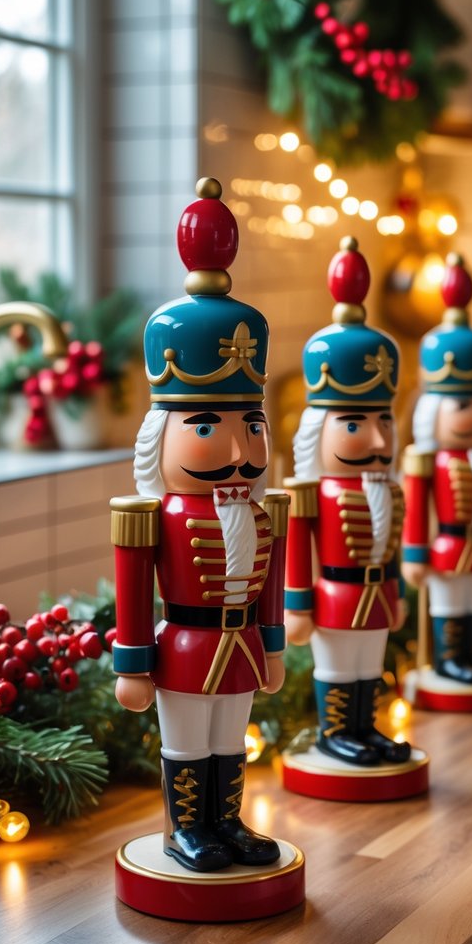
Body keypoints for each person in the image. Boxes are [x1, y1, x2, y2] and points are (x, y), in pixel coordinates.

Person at [110, 177, 287, 874]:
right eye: (208, 427)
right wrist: (132, 663)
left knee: (230, 740)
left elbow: (268, 585)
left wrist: (272, 645)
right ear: (161, 436)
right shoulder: (154, 515)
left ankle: (226, 822)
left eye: (252, 426)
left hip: (242, 644)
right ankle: (188, 829)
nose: (241, 450)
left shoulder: (259, 511)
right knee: (186, 741)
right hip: (183, 647)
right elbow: (133, 593)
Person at [284, 236, 410, 767]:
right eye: (355, 425)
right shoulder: (312, 491)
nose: (378, 439)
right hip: (334, 595)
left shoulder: (388, 488)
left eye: (384, 422)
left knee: (368, 667)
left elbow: (391, 544)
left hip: (378, 593)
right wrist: (297, 605)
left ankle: (364, 727)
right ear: (319, 430)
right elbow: (297, 550)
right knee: (337, 667)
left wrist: (396, 589)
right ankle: (335, 732)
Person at [401, 253, 472, 686]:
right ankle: (448, 661)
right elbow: (416, 509)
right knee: (449, 604)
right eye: (465, 406)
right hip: (446, 548)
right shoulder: (430, 461)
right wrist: (414, 553)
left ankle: (469, 655)